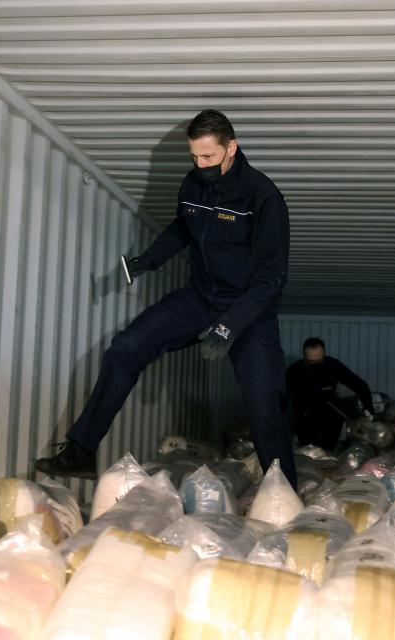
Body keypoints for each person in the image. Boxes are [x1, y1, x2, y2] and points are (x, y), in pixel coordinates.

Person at [36, 110, 297, 488]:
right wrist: (149, 259)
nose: (200, 164)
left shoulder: (263, 197)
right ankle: (81, 451)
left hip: (248, 310)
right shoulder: (193, 184)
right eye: (194, 156)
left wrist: (228, 326)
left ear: (232, 148)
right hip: (200, 297)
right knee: (125, 348)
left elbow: (272, 277)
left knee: (262, 404)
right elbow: (183, 227)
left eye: (208, 157)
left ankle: (284, 496)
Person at [285, 337, 374, 451]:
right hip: (304, 415)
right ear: (304, 358)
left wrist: (368, 408)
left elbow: (360, 385)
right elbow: (283, 398)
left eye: (319, 361)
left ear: (324, 355)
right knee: (308, 451)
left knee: (327, 450)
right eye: (311, 362)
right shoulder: (294, 371)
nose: (316, 366)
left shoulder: (333, 366)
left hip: (330, 414)